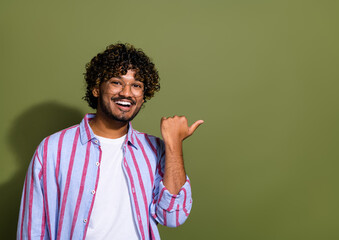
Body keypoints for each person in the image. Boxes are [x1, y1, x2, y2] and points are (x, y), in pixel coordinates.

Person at [17, 43, 204, 240]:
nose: (126, 93)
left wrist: (174, 144)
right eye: (116, 82)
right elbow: (32, 230)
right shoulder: (52, 149)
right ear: (97, 88)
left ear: (143, 96)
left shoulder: (156, 150)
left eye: (136, 85)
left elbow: (173, 217)